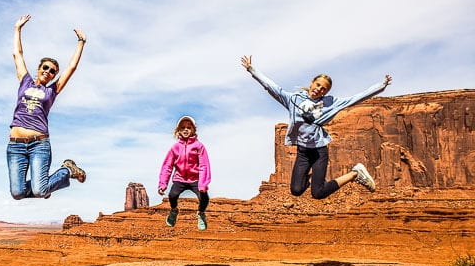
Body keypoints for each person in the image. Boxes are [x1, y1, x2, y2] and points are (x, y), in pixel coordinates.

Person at [241, 55, 392, 200]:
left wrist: (382, 85)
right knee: (296, 190)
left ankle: (354, 173)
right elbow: (272, 87)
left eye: (324, 89)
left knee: (318, 193)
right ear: (312, 83)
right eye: (318, 85)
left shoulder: (330, 103)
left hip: (319, 151)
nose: (319, 89)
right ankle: (313, 176)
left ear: (326, 92)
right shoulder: (293, 99)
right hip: (303, 152)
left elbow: (357, 98)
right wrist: (252, 70)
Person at [7, 14, 87, 200]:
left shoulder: (52, 90)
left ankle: (67, 170)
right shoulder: (25, 81)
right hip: (15, 146)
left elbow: (71, 68)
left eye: (52, 71)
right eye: (46, 67)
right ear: (39, 68)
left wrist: (81, 42)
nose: (48, 72)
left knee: (40, 191)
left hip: (39, 144)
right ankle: (45, 182)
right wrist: (17, 29)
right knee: (17, 193)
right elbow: (17, 55)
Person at [158, 116, 212, 230]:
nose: (186, 129)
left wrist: (202, 184)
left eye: (188, 127)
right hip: (180, 178)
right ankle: (174, 210)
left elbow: (204, 165)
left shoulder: (199, 146)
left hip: (195, 179)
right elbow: (167, 166)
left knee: (204, 198)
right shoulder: (175, 148)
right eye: (183, 127)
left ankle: (201, 213)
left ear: (193, 129)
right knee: (172, 195)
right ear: (178, 131)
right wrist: (163, 184)